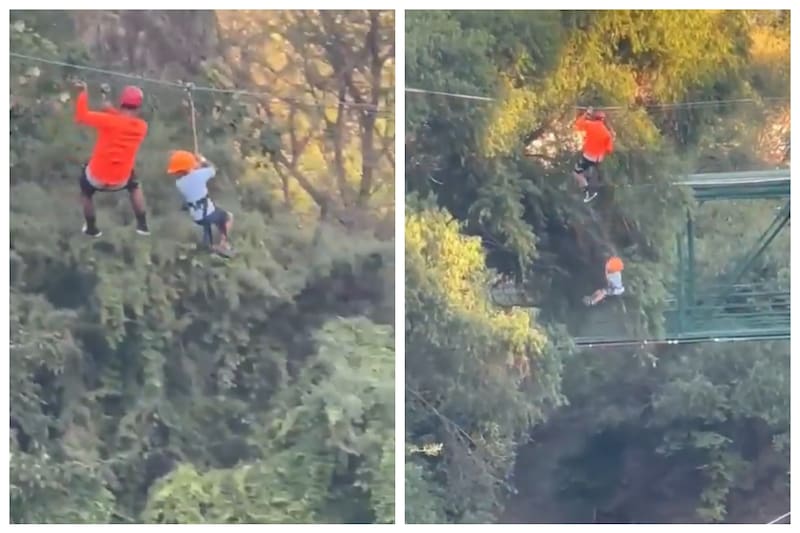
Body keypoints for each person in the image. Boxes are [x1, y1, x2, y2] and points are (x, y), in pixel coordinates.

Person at [73, 81, 150, 237]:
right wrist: (109, 109)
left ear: (121, 102)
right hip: (121, 179)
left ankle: (91, 227)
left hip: (96, 177)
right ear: (139, 107)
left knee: (85, 190)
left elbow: (81, 117)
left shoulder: (108, 121)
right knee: (134, 185)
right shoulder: (141, 127)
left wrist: (82, 93)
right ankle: (142, 225)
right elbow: (123, 122)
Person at [166, 150, 234, 256]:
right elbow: (213, 169)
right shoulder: (198, 175)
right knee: (228, 217)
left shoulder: (179, 183)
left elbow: (192, 176)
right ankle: (223, 244)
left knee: (212, 217)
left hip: (196, 216)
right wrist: (202, 160)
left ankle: (209, 244)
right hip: (207, 213)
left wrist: (196, 167)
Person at [573, 106, 614, 203]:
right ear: (603, 120)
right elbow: (609, 150)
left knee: (576, 173)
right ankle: (589, 185)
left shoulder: (589, 125)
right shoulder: (607, 134)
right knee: (585, 171)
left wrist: (586, 113)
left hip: (588, 156)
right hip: (598, 159)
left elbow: (578, 125)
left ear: (593, 118)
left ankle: (587, 191)